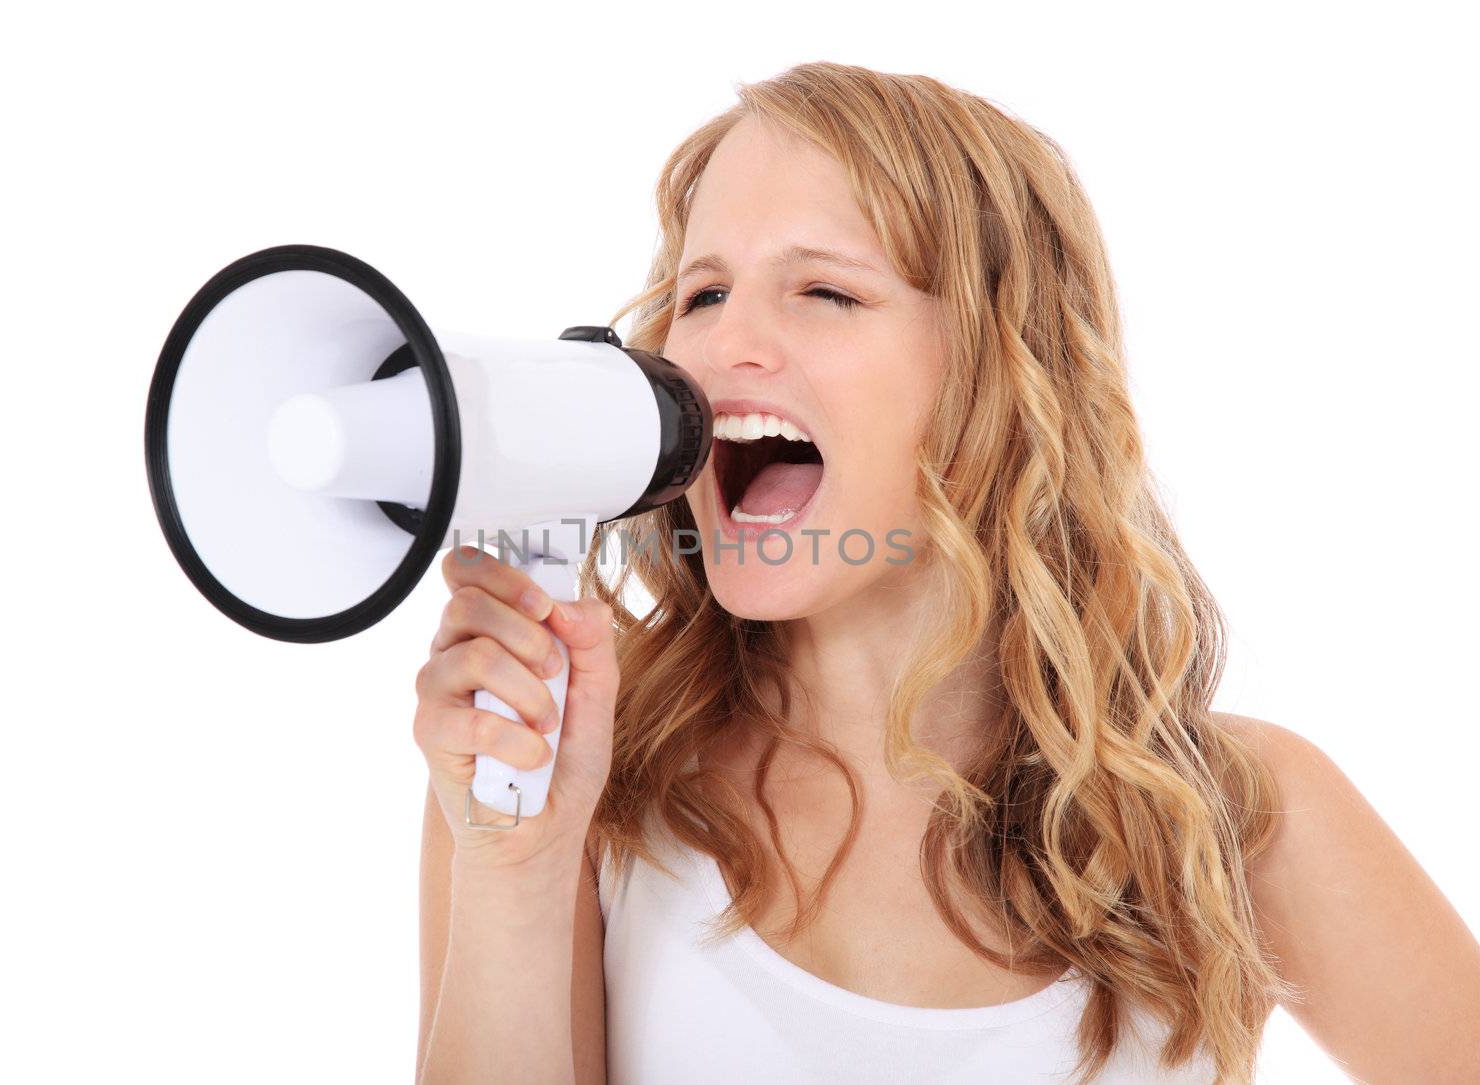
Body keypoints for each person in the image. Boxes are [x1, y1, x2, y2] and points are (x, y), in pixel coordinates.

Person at [412, 62, 1480, 1084]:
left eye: (823, 290)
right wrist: (516, 873)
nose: (724, 342)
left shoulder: (1237, 818)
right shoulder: (571, 776)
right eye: (702, 293)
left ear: (998, 371)